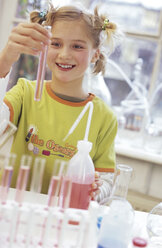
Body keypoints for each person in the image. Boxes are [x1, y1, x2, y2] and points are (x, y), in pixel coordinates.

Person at [0, 2, 119, 203]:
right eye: (56, 44)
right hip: (12, 209)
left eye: (77, 46)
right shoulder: (25, 92)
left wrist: (97, 190)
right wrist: (4, 61)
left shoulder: (103, 117)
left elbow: (107, 181)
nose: (64, 54)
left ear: (95, 54)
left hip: (63, 218)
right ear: (44, 45)